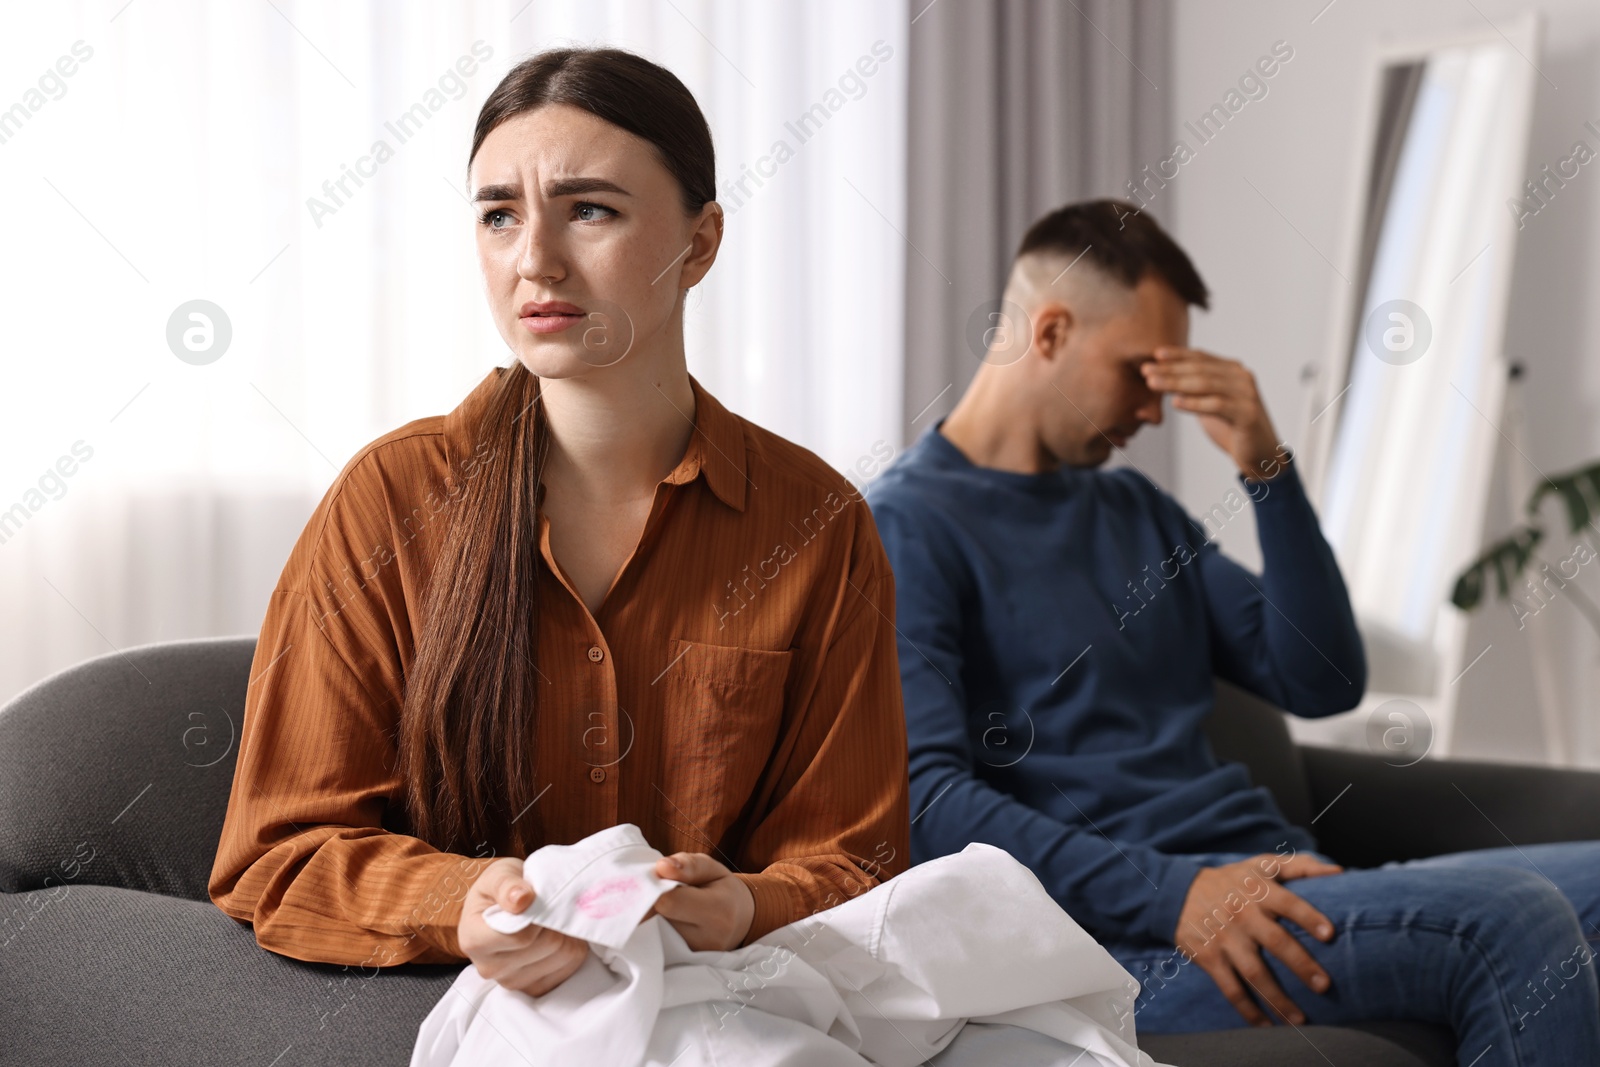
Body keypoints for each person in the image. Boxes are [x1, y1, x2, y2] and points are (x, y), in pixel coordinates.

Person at [207, 48, 910, 1001]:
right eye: (499, 214)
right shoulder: (389, 502)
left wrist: (744, 905)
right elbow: (278, 855)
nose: (533, 258)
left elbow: (857, 861)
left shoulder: (818, 525)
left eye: (590, 210)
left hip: (721, 1017)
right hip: (436, 1016)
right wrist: (464, 898)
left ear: (699, 244)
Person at [865, 198, 1600, 1063]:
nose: (1157, 406)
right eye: (1142, 370)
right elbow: (927, 803)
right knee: (1511, 924)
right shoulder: (906, 527)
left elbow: (1323, 677)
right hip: (1135, 941)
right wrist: (1174, 891)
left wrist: (1266, 468)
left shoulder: (1133, 506)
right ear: (1052, 331)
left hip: (1285, 888)